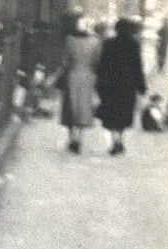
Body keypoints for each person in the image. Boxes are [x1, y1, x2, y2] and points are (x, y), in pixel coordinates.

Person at [96, 17, 147, 155]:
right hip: (127, 86)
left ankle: (115, 140)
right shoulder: (134, 45)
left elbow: (102, 65)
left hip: (111, 85)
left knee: (111, 114)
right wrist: (141, 86)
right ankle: (119, 140)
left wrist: (99, 84)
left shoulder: (109, 44)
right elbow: (138, 66)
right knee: (124, 114)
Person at [59, 14, 102, 153]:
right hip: (88, 77)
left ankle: (72, 138)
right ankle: (79, 138)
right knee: (84, 108)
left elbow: (65, 61)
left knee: (71, 107)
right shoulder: (96, 41)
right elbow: (97, 61)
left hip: (72, 76)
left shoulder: (69, 40)